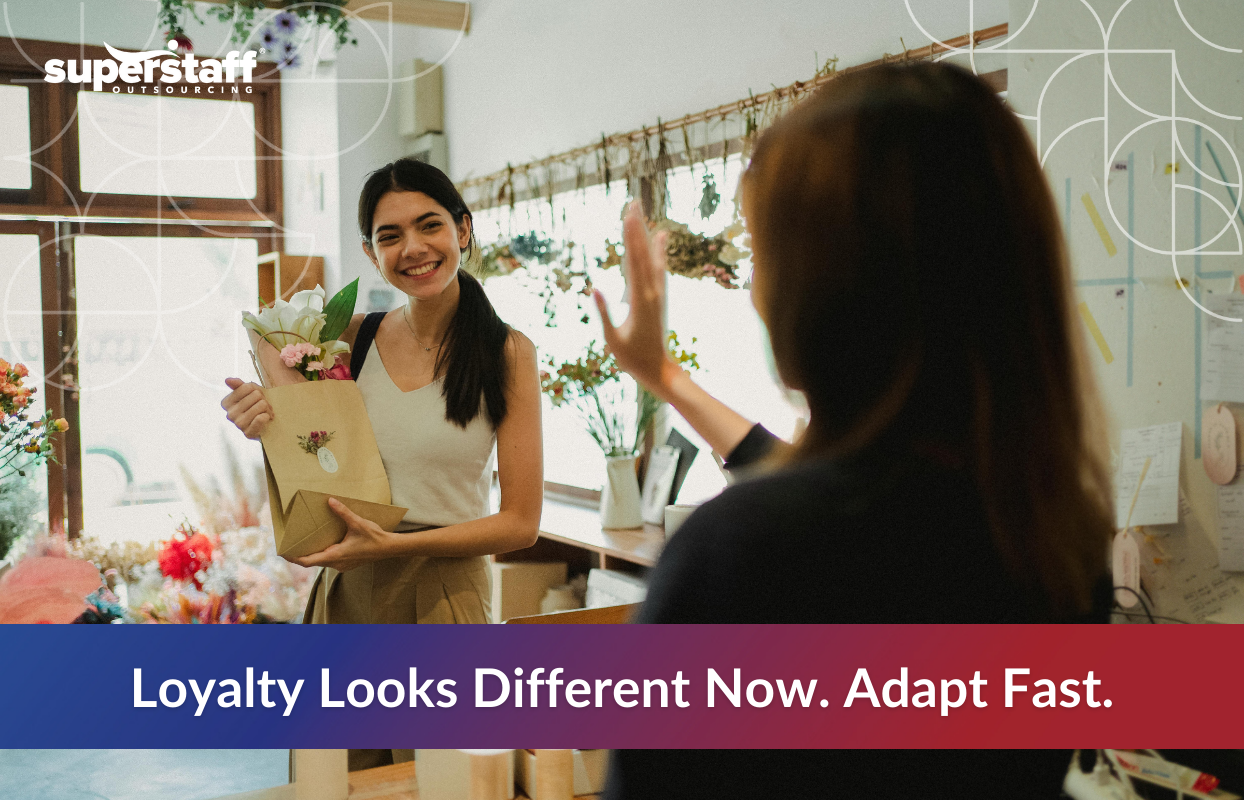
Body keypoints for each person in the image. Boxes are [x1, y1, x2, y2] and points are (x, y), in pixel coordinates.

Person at [595, 62, 1113, 797]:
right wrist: (666, 378)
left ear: (832, 285)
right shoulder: (1054, 534)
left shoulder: (742, 558)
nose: (753, 289)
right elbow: (832, 480)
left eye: (763, 253)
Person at [222, 157, 543, 629]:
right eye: (390, 236)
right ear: (372, 254)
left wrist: (395, 546)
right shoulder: (347, 341)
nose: (413, 248)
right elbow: (318, 452)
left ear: (463, 230)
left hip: (446, 596)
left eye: (429, 226)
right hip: (345, 589)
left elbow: (520, 523)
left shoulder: (508, 352)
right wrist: (263, 423)